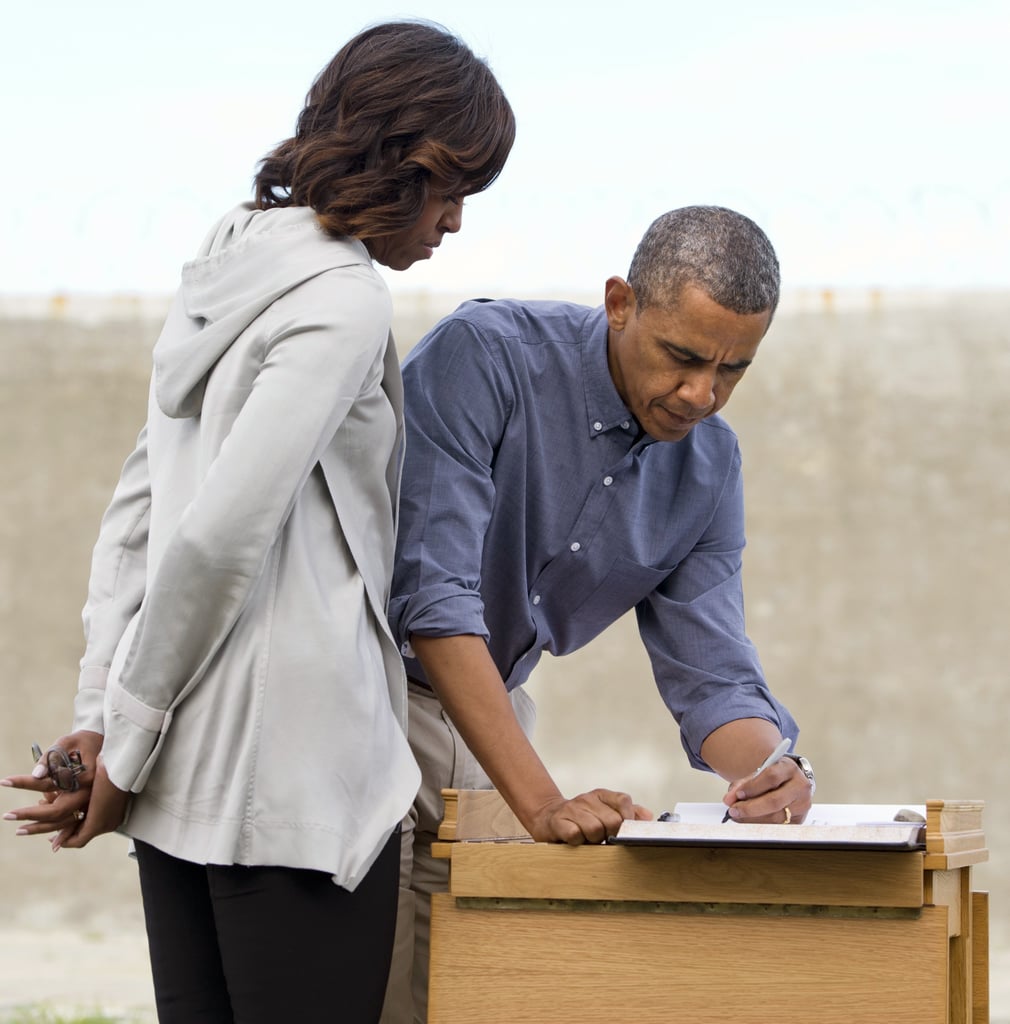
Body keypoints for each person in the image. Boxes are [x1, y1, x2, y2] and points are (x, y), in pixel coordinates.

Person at [1, 20, 514, 1024]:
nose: (452, 222)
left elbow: (138, 513)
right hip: (293, 790)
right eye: (450, 189)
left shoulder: (221, 269)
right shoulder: (341, 301)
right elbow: (214, 536)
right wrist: (124, 742)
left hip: (186, 780)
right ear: (397, 162)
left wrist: (107, 720)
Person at [381, 205, 817, 1022]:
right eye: (683, 358)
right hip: (362, 704)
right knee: (357, 995)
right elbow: (432, 599)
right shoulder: (488, 358)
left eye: (733, 370)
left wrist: (768, 772)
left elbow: (714, 676)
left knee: (459, 1002)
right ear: (621, 303)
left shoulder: (711, 467)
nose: (702, 395)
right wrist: (543, 804)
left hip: (489, 721)